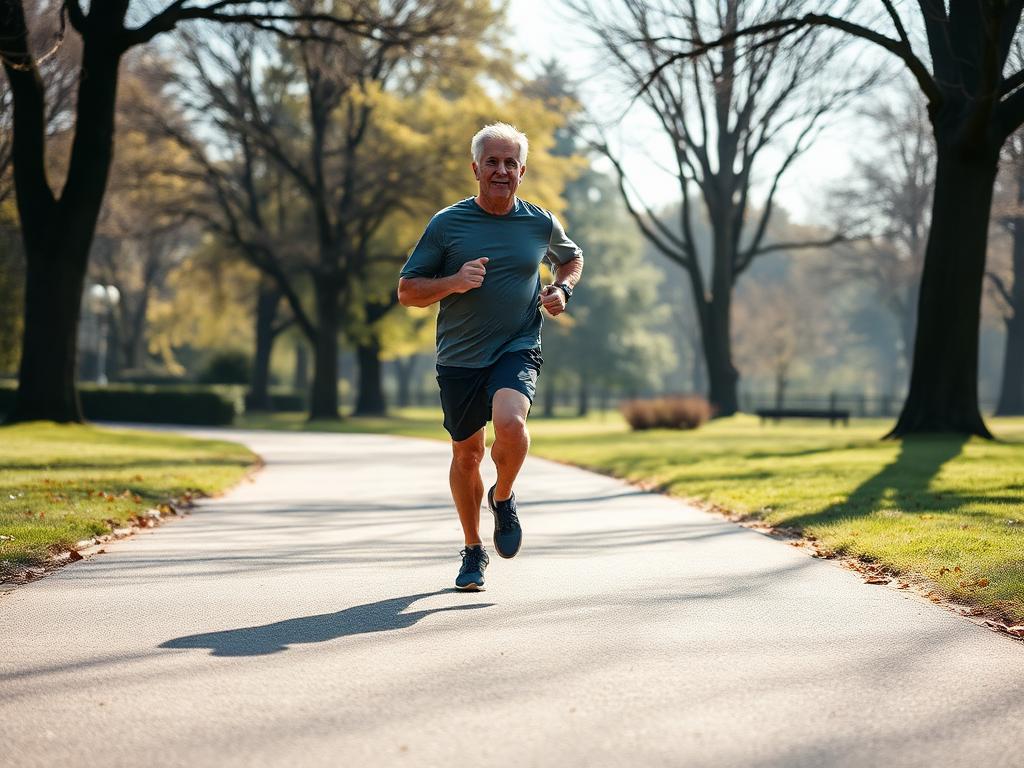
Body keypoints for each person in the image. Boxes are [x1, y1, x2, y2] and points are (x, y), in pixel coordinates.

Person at [397, 122, 584, 590]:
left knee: (512, 425)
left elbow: (571, 256)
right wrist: (453, 282)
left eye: (510, 163)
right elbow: (407, 292)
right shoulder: (447, 224)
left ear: (522, 170)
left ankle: (503, 498)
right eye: (492, 162)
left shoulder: (539, 222)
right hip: (459, 357)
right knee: (467, 454)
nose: (501, 170)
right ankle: (473, 550)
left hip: (517, 345)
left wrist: (562, 288)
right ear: (475, 168)